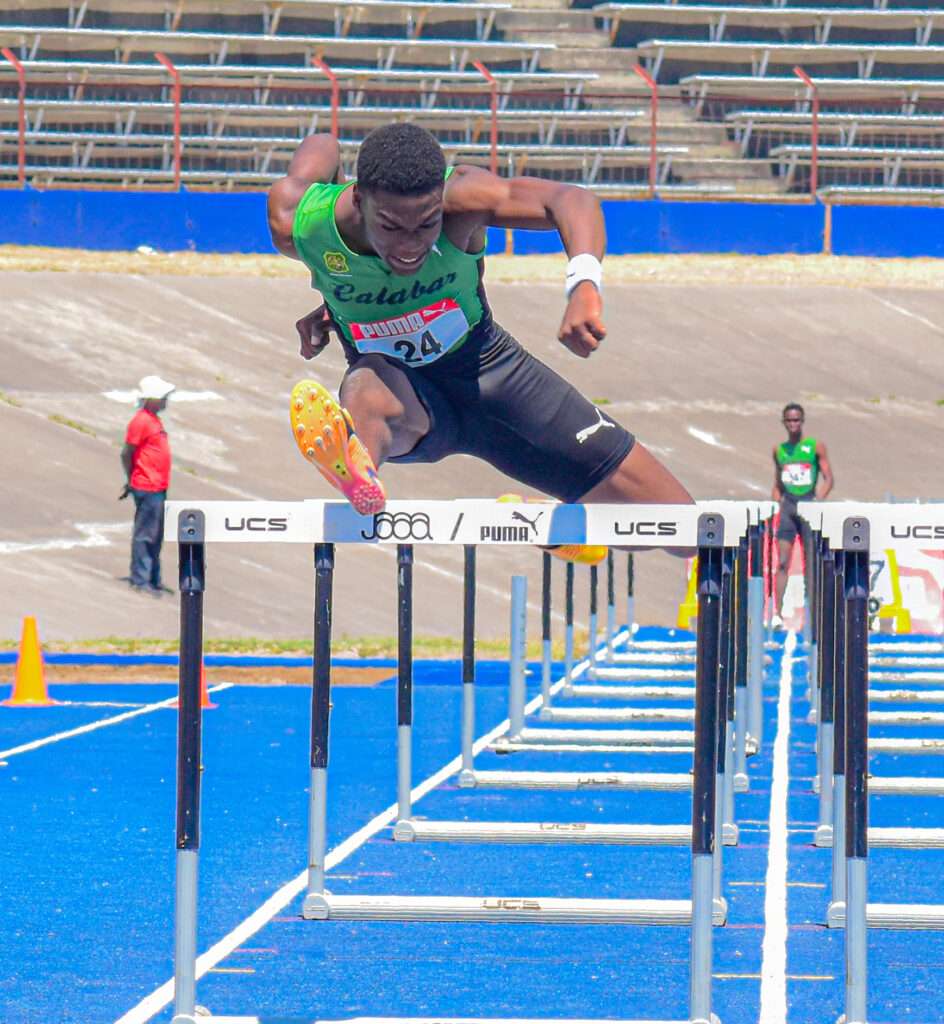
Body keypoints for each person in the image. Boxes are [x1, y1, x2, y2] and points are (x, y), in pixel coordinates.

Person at [267, 123, 692, 561]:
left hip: (493, 375)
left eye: (427, 223)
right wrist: (336, 308)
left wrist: (583, 285)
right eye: (392, 226)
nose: (411, 245)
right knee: (367, 383)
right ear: (358, 198)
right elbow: (323, 143)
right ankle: (359, 473)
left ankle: (559, 525)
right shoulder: (298, 221)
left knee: (683, 530)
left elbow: (570, 199)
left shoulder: (463, 199)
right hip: (404, 397)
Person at [770, 402, 833, 627]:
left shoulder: (815, 447)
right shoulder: (779, 450)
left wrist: (818, 502)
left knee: (811, 562)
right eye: (789, 420)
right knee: (783, 561)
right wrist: (777, 502)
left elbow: (828, 478)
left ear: (802, 421)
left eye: (797, 420)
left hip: (808, 505)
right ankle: (777, 613)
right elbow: (777, 482)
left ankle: (812, 613)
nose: (793, 424)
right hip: (788, 507)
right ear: (784, 422)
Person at [120, 375, 175, 595]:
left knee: (156, 534)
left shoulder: (152, 419)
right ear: (151, 399)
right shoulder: (141, 421)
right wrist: (132, 478)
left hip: (158, 485)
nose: (165, 401)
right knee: (146, 534)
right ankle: (141, 580)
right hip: (147, 485)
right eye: (162, 397)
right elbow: (127, 452)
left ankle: (152, 578)